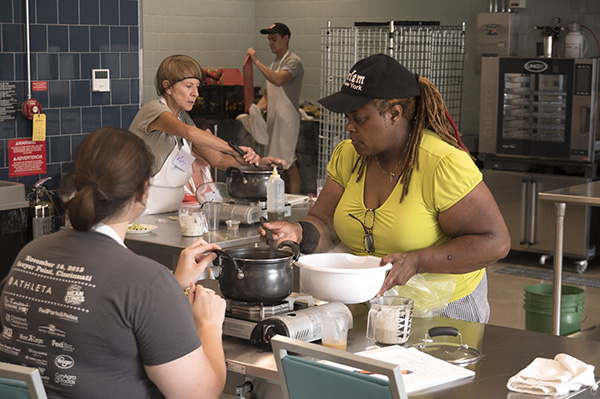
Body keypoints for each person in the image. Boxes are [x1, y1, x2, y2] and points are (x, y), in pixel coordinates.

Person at [260, 54, 510, 323]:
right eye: (347, 118)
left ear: (394, 114)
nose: (349, 127)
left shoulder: (441, 164)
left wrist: (417, 261)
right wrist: (298, 231)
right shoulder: (349, 156)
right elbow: (323, 221)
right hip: (374, 303)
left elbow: (495, 243)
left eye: (359, 119)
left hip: (445, 309)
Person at [0, 127, 227, 399]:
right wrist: (209, 325)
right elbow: (200, 394)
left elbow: (97, 305)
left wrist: (172, 286)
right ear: (143, 193)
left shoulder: (30, 254)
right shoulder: (146, 282)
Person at [129, 54, 284, 214]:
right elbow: (190, 133)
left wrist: (259, 164)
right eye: (188, 86)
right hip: (144, 210)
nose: (196, 93)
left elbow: (217, 159)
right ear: (167, 87)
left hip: (173, 211)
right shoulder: (153, 110)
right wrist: (232, 149)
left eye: (197, 86)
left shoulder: (184, 118)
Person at [247, 22, 304, 194]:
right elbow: (267, 96)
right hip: (273, 120)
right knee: (276, 164)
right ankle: (280, 198)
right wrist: (255, 110)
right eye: (269, 40)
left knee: (288, 163)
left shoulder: (294, 61)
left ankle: (293, 200)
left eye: (274, 39)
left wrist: (256, 61)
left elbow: (278, 80)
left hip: (287, 120)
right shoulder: (273, 65)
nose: (270, 43)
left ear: (285, 39)